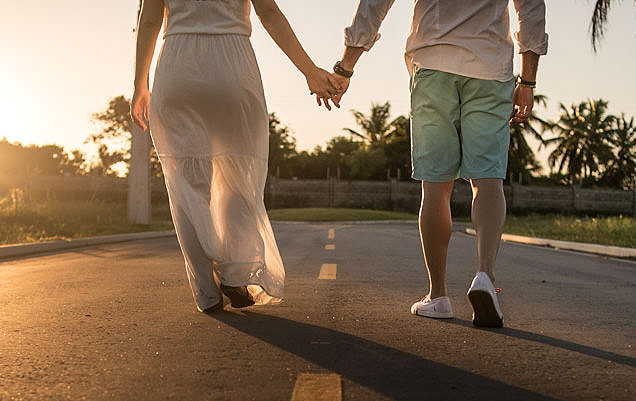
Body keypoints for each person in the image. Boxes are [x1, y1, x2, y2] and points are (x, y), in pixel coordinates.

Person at [331, 0, 547, 327]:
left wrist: (346, 65)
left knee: (435, 186)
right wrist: (528, 82)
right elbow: (531, 8)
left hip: (433, 63)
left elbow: (375, 4)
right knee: (488, 181)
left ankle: (438, 296)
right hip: (490, 68)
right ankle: (485, 277)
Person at [132, 0, 343, 313]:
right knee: (238, 177)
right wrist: (309, 71)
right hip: (232, 66)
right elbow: (268, 13)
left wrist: (140, 84)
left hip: (178, 67)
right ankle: (236, 274)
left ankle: (207, 292)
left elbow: (149, 21)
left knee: (187, 184)